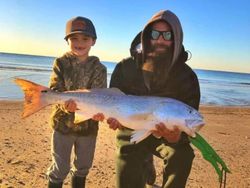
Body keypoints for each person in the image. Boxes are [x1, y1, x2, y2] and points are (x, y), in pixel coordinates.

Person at [108, 10, 200, 188]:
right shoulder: (124, 67)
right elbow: (112, 100)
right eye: (155, 34)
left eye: (167, 35)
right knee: (126, 173)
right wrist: (115, 121)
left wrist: (175, 137)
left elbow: (190, 121)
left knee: (182, 155)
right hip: (131, 129)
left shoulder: (187, 77)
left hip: (165, 136)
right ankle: (144, 163)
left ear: (176, 39)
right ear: (146, 36)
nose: (160, 40)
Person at [46, 16, 107, 188]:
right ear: (67, 40)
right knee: (60, 168)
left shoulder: (99, 68)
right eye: (74, 38)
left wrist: (99, 113)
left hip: (88, 129)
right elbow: (55, 90)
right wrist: (65, 105)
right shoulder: (60, 63)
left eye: (85, 38)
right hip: (62, 126)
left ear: (93, 41)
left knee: (83, 167)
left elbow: (99, 97)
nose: (79, 42)